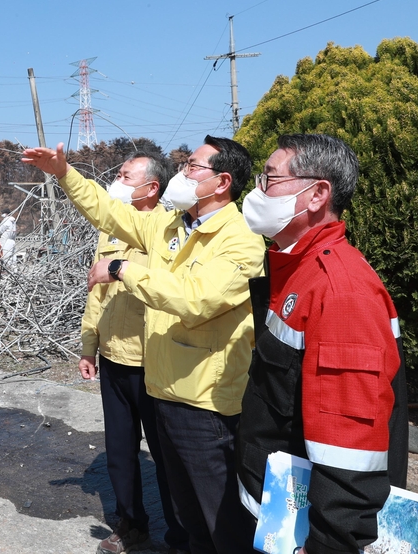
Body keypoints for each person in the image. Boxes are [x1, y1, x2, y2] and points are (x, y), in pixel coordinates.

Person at [23, 136, 265, 554]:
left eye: (192, 166)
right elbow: (109, 211)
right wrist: (63, 173)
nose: (182, 173)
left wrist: (122, 268)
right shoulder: (168, 225)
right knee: (188, 517)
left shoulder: (241, 239)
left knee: (221, 520)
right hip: (162, 389)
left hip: (206, 403)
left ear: (222, 181)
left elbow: (194, 299)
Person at [236, 134, 407, 554]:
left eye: (269, 179)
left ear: (317, 195)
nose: (257, 191)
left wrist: (330, 544)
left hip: (308, 533)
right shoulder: (297, 266)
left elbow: (348, 444)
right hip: (276, 513)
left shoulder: (341, 291)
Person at [81, 151, 188, 554]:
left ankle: (181, 535)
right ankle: (132, 524)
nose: (118, 183)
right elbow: (97, 292)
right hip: (113, 359)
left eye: (126, 177)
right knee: (120, 452)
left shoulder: (170, 232)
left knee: (167, 456)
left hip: (155, 362)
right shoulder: (110, 232)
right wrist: (89, 344)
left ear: (151, 187)